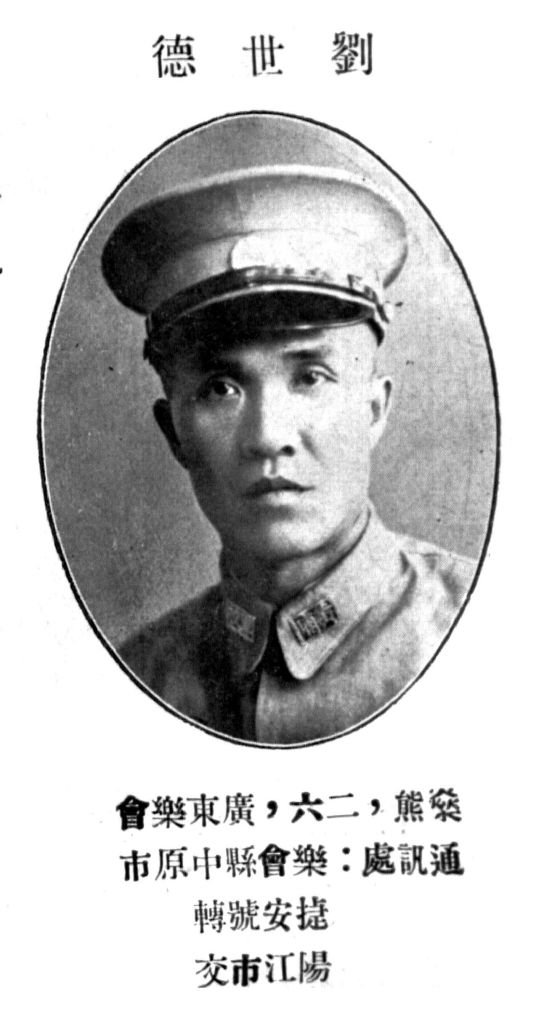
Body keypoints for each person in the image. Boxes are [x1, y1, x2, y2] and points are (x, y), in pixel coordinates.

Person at [101, 163, 475, 744]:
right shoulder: (132, 680)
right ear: (174, 434)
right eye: (220, 388)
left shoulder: (489, 634)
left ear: (374, 410)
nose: (268, 435)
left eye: (310, 377)